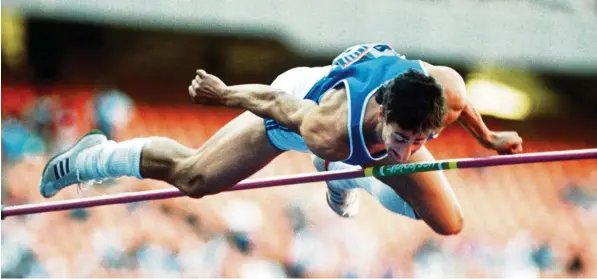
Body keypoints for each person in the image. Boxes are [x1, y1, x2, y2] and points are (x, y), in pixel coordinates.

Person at [39, 43, 523, 235]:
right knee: (195, 178)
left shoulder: (447, 95)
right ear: (385, 112)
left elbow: (452, 117)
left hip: (357, 139)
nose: (408, 151)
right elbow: (275, 102)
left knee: (449, 223)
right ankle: (93, 158)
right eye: (403, 138)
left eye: (421, 140)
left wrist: (487, 138)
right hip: (298, 100)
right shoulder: (329, 127)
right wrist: (224, 93)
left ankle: (345, 177)